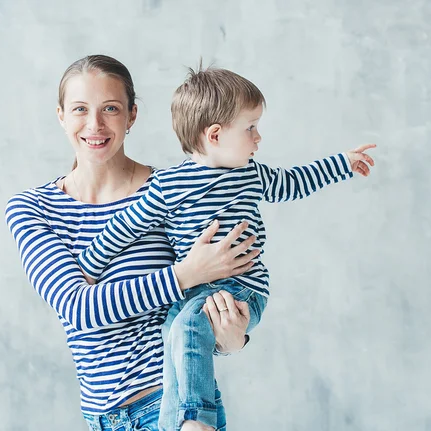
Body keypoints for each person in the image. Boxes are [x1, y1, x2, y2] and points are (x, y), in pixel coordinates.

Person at [76, 66, 377, 431]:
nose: (258, 138)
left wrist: (342, 164)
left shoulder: (251, 173)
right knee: (174, 336)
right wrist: (90, 264)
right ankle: (176, 423)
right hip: (191, 293)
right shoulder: (169, 184)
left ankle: (196, 420)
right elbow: (126, 225)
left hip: (243, 287)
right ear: (215, 135)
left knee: (187, 327)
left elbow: (295, 182)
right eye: (250, 128)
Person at [5, 55, 262, 431]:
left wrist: (232, 339)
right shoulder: (33, 209)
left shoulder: (176, 192)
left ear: (132, 115)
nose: (95, 125)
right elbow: (79, 309)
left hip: (174, 409)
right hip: (101, 419)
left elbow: (202, 306)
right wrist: (186, 273)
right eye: (80, 109)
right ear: (61, 116)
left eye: (110, 108)